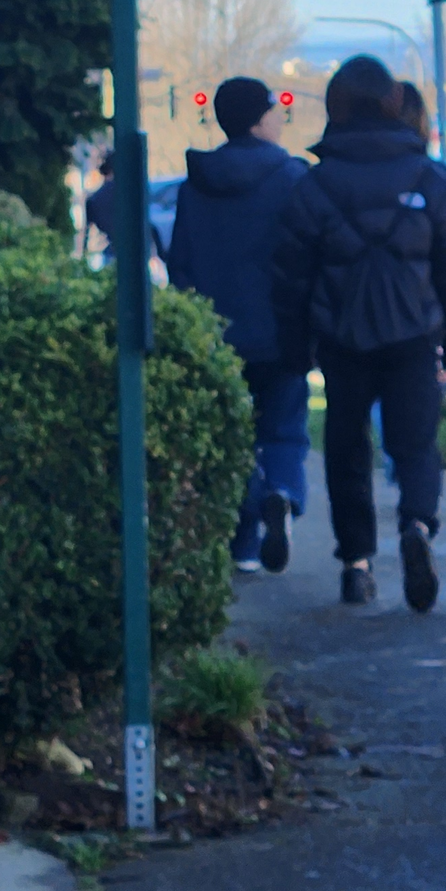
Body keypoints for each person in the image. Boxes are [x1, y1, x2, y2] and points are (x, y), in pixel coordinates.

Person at [272, 55, 446, 611]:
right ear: (394, 103)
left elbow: (290, 275)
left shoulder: (316, 184)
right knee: (416, 443)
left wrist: (297, 349)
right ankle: (416, 524)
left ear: (336, 106)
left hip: (342, 337)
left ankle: (356, 564)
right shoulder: (431, 179)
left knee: (346, 448)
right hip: (414, 333)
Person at [167, 78, 310, 574]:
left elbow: (179, 260)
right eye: (275, 110)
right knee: (285, 427)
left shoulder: (195, 184)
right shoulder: (292, 177)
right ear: (258, 119)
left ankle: (244, 542)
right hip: (281, 332)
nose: (280, 119)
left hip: (216, 334)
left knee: (234, 436)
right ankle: (283, 492)